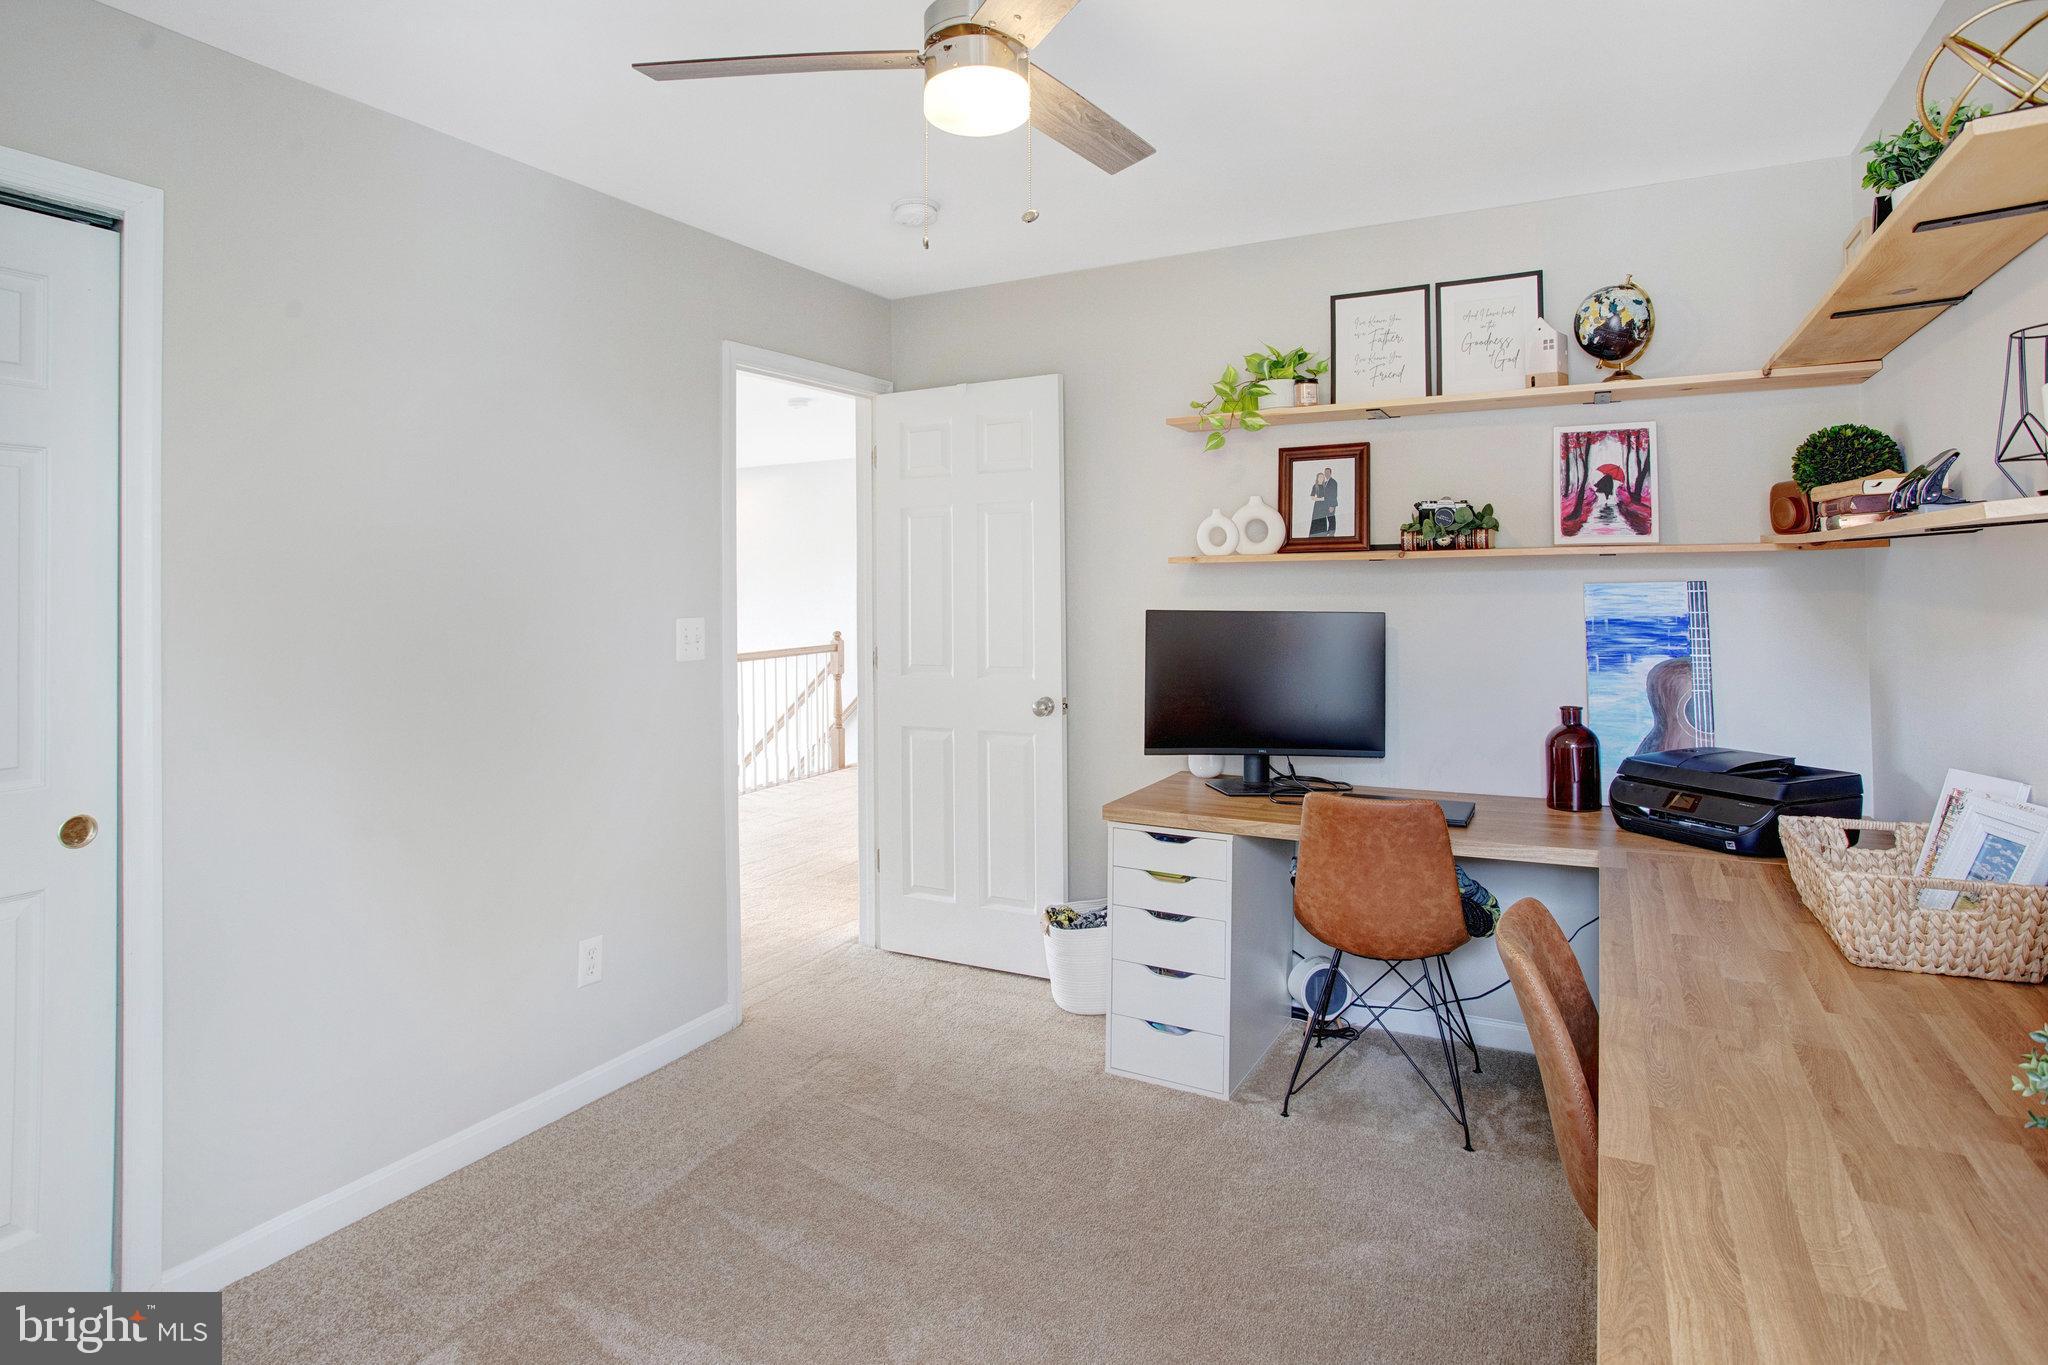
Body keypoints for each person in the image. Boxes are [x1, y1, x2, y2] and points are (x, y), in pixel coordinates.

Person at [1309, 468, 1339, 536]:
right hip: (1321, 505)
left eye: (1328, 472)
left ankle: (1331, 532)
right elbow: (1313, 496)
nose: (1326, 474)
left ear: (1330, 473)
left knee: (1331, 517)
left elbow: (1334, 494)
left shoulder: (1333, 482)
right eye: (1325, 472)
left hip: (1330, 504)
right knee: (1322, 517)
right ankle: (1319, 532)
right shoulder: (1324, 484)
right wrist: (1320, 499)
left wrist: (1332, 505)